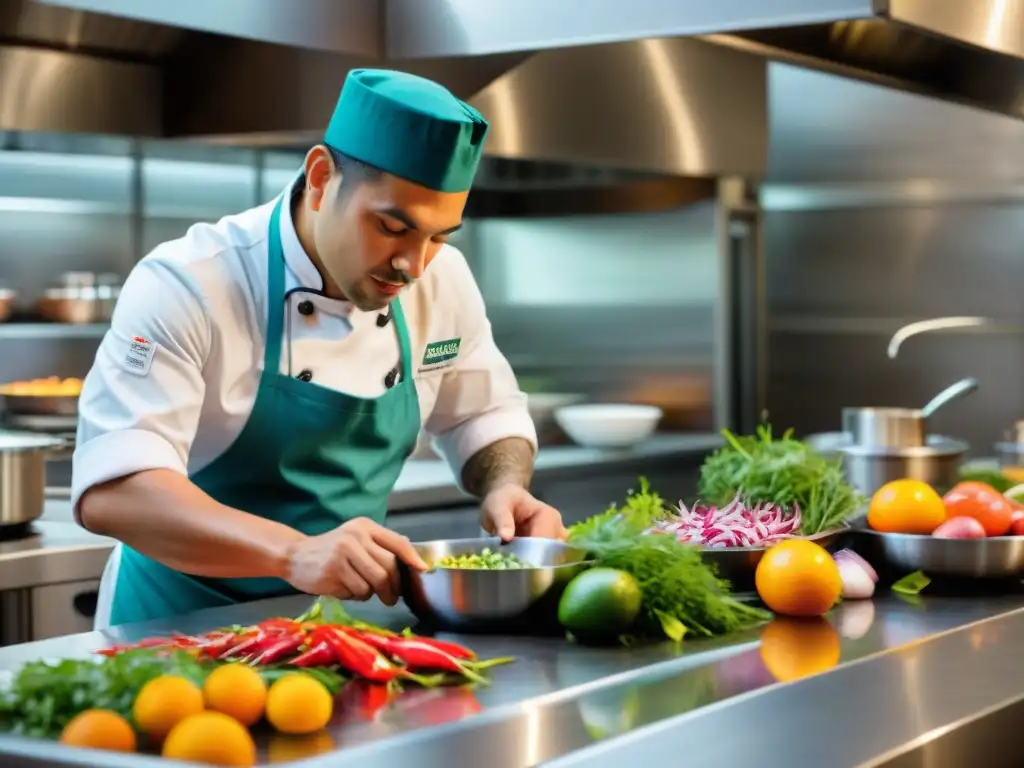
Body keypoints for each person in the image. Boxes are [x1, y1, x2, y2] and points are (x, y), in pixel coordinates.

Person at [72, 68, 565, 629]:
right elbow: (114, 492)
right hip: (173, 633)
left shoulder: (442, 278)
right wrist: (292, 553)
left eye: (438, 236)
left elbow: (485, 412)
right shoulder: (191, 282)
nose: (413, 264)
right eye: (390, 226)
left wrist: (506, 487)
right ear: (322, 175)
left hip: (337, 636)